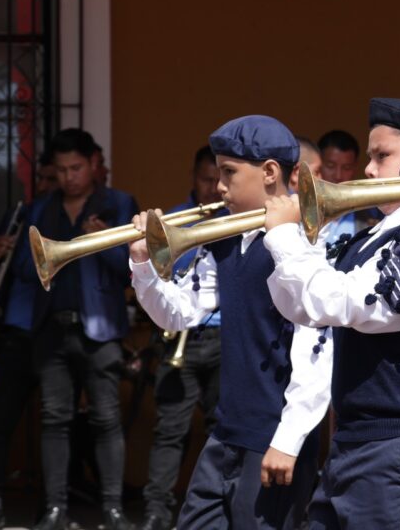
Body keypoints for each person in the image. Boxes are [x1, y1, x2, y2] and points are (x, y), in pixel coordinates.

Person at [264, 97, 400, 529]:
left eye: (381, 156)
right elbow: (305, 310)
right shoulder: (374, 236)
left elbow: (355, 306)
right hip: (361, 437)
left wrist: (286, 238)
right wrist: (294, 243)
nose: (368, 170)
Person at [128, 116, 331, 530]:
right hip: (226, 430)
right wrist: (142, 262)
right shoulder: (223, 241)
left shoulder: (307, 243)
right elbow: (178, 311)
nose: (218, 186)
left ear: (270, 173)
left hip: (274, 437)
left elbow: (317, 348)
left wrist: (289, 441)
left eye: (229, 173)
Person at [5, 129, 139, 530]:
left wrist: (100, 241)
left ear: (93, 165)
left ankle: (113, 510)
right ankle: (54, 510)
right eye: (61, 170)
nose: (69, 177)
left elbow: (132, 269)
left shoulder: (118, 204)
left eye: (76, 168)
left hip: (99, 329)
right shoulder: (41, 209)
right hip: (51, 329)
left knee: (106, 419)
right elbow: (24, 270)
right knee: (54, 419)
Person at [139, 146, 226, 530]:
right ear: (193, 177)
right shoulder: (172, 218)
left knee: (220, 427)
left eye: (218, 180)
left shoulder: (232, 219)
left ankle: (216, 509)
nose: (212, 188)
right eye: (205, 179)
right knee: (169, 429)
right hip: (180, 339)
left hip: (222, 338)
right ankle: (156, 512)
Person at [0, 151, 60, 530]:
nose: (43, 186)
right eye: (39, 178)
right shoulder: (21, 213)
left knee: (58, 425)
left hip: (55, 336)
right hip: (16, 330)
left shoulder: (66, 216)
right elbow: (2, 275)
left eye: (49, 178)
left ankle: (53, 507)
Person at [315, 131, 367, 248]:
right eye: (330, 166)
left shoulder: (372, 215)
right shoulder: (297, 210)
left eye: (347, 167)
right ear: (318, 165)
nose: (338, 175)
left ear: (355, 168)